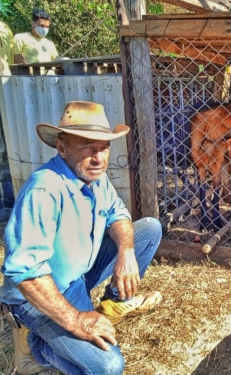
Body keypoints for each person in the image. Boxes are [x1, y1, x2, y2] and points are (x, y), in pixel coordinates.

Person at [0, 101, 163, 375]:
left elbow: (117, 214)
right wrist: (76, 320)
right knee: (108, 367)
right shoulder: (44, 190)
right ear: (62, 148)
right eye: (87, 147)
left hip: (77, 276)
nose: (98, 158)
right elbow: (26, 274)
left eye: (104, 147)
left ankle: (113, 302)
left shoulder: (94, 175)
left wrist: (125, 251)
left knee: (149, 228)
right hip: (41, 293)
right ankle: (35, 347)